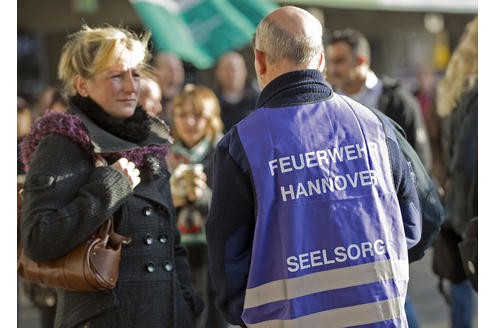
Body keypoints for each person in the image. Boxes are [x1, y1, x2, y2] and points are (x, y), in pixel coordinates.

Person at [205, 6, 421, 327]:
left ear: (259, 60)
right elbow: (415, 224)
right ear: (320, 60)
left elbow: (227, 256)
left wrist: (246, 312)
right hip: (378, 315)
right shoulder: (376, 126)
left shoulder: (242, 143)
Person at [19, 24, 204, 328]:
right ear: (82, 85)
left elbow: (171, 241)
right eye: (117, 76)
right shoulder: (63, 143)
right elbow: (39, 239)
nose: (132, 87)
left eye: (135, 74)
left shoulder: (150, 142)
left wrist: (187, 304)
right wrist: (110, 187)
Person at [325, 28, 432, 172]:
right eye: (330, 62)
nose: (332, 69)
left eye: (339, 61)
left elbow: (419, 158)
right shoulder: (327, 102)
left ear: (361, 61)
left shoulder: (397, 98)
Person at [167, 84, 227, 328]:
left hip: (214, 256)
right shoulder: (164, 155)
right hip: (176, 253)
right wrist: (174, 199)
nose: (189, 122)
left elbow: (234, 212)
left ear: (211, 119)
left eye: (198, 115)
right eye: (182, 115)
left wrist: (201, 196)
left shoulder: (224, 153)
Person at [435, 15, 478, 328]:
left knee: (462, 278)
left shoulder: (457, 90)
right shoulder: (479, 94)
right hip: (472, 204)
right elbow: (467, 157)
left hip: (458, 200)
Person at [213, 51, 259, 133]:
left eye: (236, 68)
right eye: (227, 69)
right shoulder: (211, 103)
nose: (232, 73)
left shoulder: (259, 101)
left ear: (245, 71)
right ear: (218, 73)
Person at [152, 51, 186, 124]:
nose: (174, 73)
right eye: (168, 68)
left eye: (177, 68)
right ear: (155, 72)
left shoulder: (187, 105)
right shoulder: (148, 105)